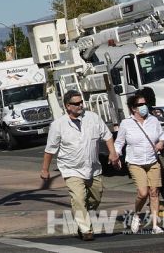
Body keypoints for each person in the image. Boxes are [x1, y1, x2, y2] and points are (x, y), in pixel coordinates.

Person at [40, 90, 120, 241]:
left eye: (81, 102)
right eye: (76, 103)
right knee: (79, 198)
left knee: (95, 199)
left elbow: (108, 136)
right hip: (71, 169)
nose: (80, 105)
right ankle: (86, 230)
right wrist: (45, 169)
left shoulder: (93, 118)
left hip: (93, 168)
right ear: (67, 106)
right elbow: (50, 150)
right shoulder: (58, 125)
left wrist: (113, 153)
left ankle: (81, 219)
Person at [114, 91, 164, 234]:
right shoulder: (126, 123)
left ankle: (155, 225)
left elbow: (162, 135)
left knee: (154, 192)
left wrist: (161, 142)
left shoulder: (153, 120)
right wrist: (116, 156)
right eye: (140, 104)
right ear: (133, 108)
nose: (144, 106)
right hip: (135, 162)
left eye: (145, 104)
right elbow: (119, 143)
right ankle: (137, 215)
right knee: (143, 193)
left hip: (152, 160)